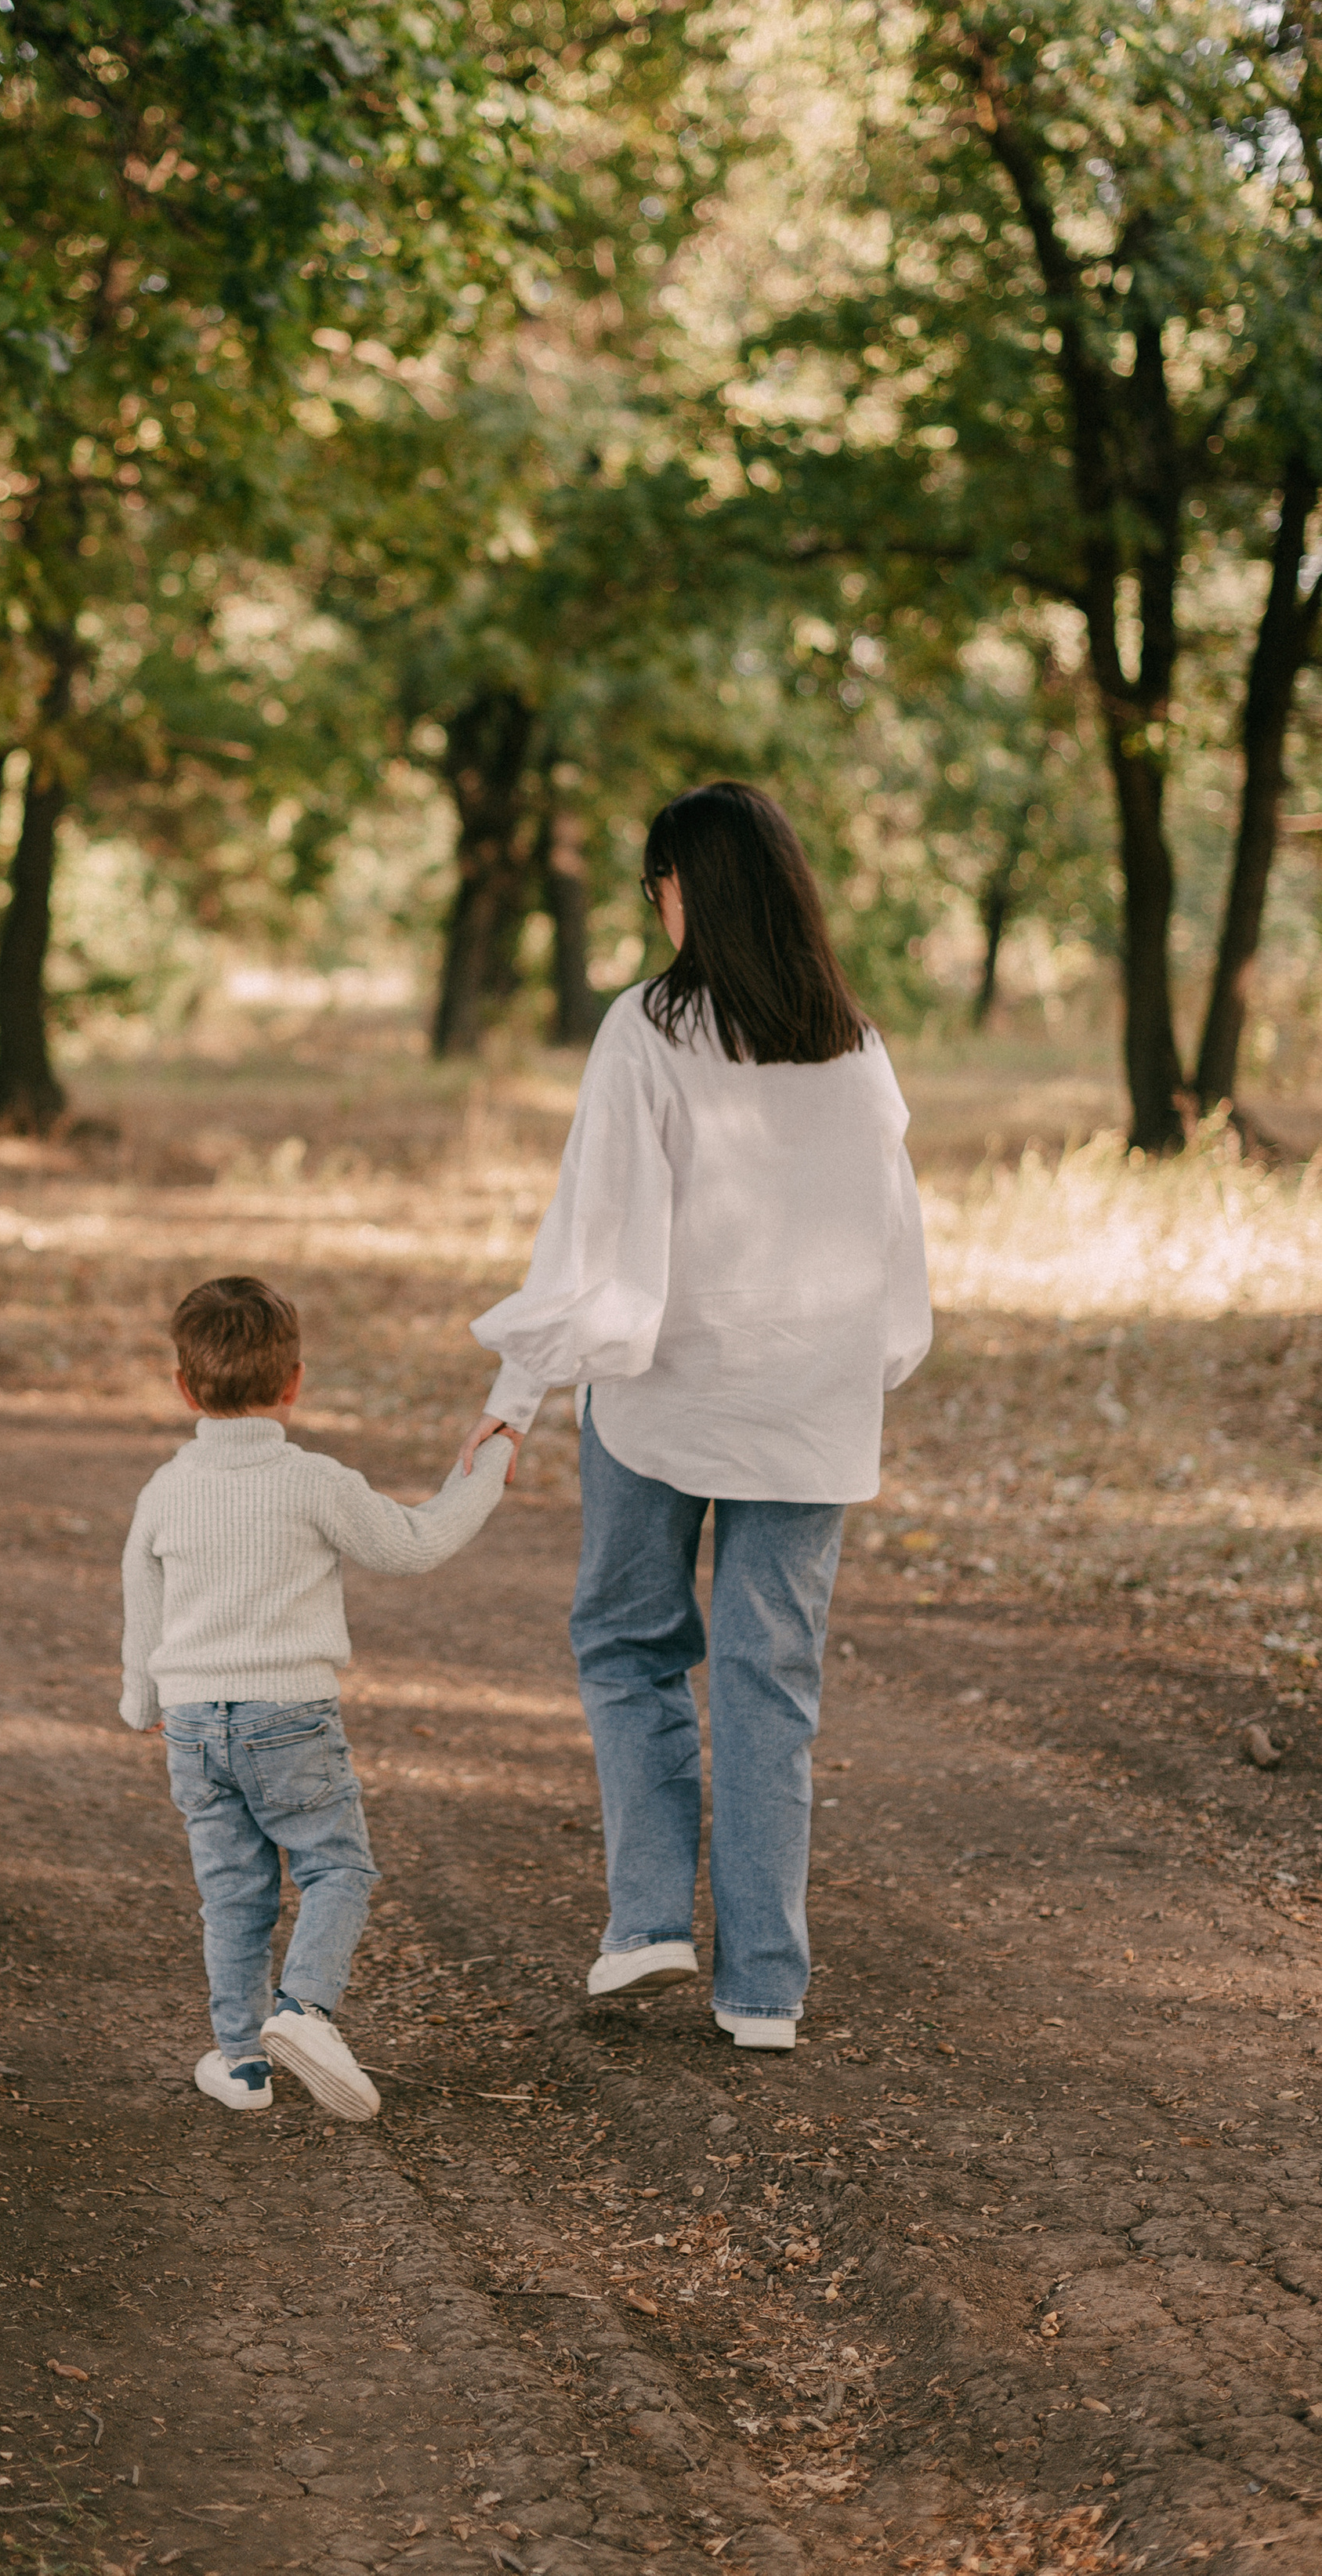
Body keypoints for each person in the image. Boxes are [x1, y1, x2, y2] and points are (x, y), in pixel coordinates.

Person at [463, 781, 931, 2052]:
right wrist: (856, 1372)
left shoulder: (650, 1024)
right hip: (809, 1407)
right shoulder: (856, 1044)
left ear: (689, 886)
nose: (653, 903)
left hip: (661, 1396)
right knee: (772, 1684)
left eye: (655, 881)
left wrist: (516, 1395)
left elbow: (593, 1228)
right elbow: (895, 1241)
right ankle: (764, 1989)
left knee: (629, 1644)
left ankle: (649, 1921)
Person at [121, 1273, 513, 2121]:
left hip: (192, 1725)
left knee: (233, 1895)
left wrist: (141, 1698)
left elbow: (141, 1594)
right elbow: (416, 1545)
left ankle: (241, 2065)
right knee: (336, 1866)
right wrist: (488, 1466)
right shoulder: (314, 1481)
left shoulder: (165, 1489)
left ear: (183, 1387)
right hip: (288, 1717)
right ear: (295, 1382)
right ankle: (303, 2009)